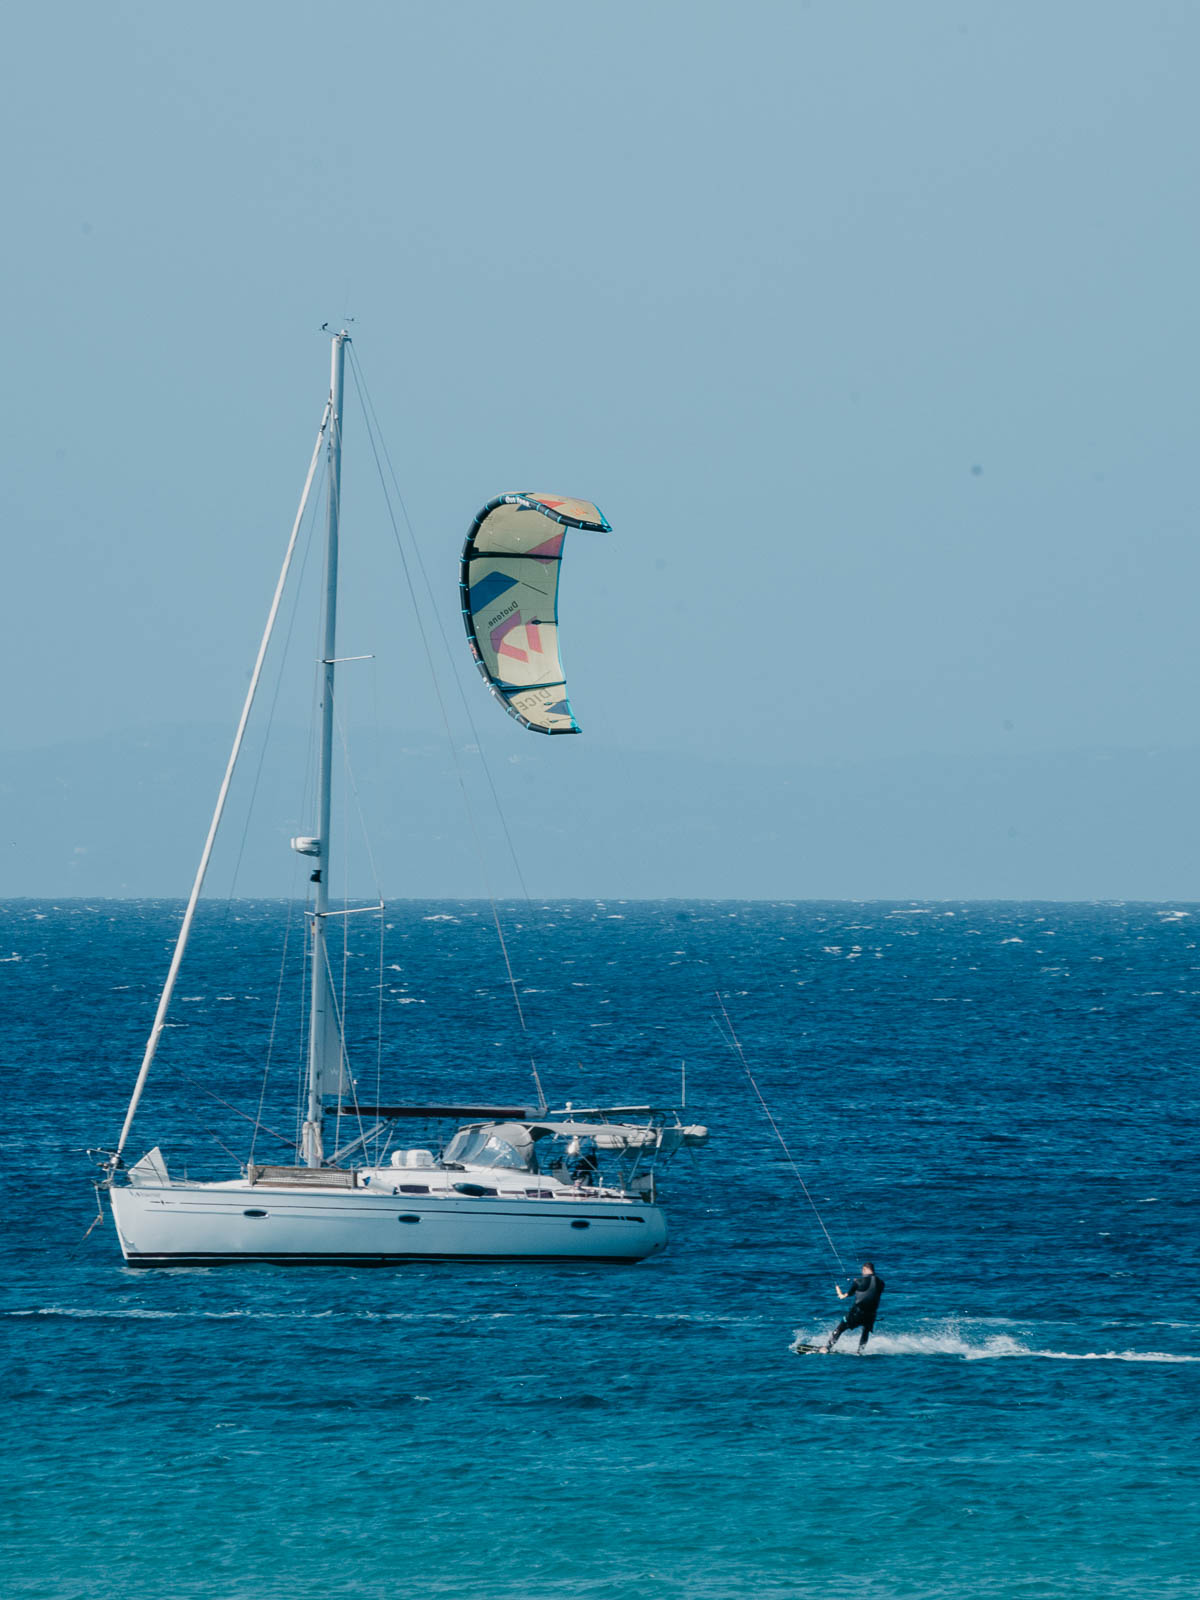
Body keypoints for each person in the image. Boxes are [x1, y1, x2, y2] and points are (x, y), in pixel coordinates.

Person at [824, 1262, 885, 1353]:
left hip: (857, 1313)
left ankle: (827, 1348)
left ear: (864, 1269)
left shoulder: (858, 1281)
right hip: (871, 1314)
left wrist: (840, 1293)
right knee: (865, 1331)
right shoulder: (881, 1283)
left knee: (840, 1328)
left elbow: (846, 1295)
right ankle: (860, 1351)